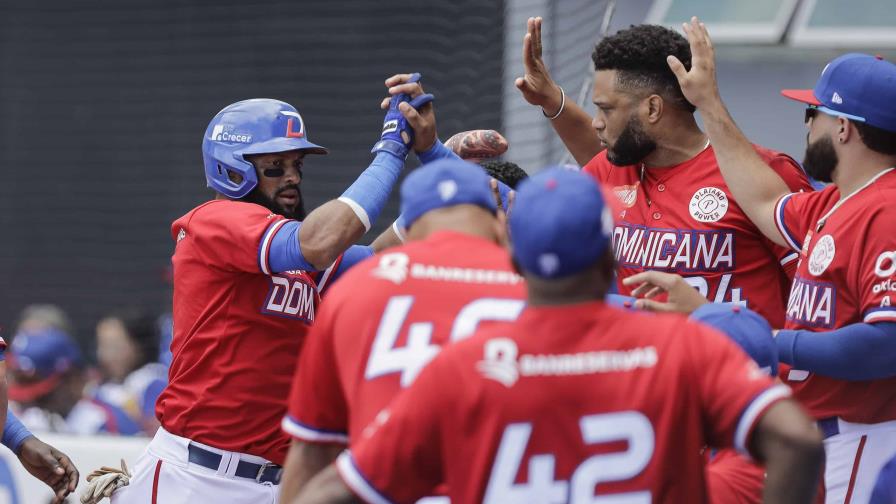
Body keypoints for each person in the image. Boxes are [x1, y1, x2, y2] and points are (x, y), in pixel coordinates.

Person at [293, 168, 823, 504]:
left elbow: (338, 489)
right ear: (610, 255)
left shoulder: (468, 365)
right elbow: (797, 441)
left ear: (516, 257)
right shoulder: (679, 345)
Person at [109, 80, 438, 503]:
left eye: (297, 164)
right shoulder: (216, 220)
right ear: (231, 168)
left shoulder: (293, 256)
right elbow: (319, 243)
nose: (292, 177)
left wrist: (439, 168)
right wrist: (390, 151)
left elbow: (380, 257)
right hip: (196, 477)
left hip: (274, 483)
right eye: (275, 166)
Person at [665, 17, 896, 503]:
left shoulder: (888, 210)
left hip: (862, 437)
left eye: (812, 113)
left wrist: (768, 340)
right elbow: (763, 200)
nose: (807, 124)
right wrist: (709, 104)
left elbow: (886, 344)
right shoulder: (837, 200)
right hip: (826, 436)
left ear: (845, 128)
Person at [515, 18, 813, 328]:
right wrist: (552, 100)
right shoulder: (615, 167)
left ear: (653, 109)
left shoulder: (761, 174)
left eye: (606, 109)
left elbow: (820, 302)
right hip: (647, 372)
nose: (597, 122)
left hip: (740, 370)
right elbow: (602, 152)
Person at [278, 159, 526, 503]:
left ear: (410, 230)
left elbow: (311, 449)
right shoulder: (536, 292)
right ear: (498, 223)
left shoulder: (355, 289)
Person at [8, 328, 141, 436]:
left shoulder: (104, 421)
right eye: (22, 381)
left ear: (72, 380)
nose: (30, 401)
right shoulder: (28, 415)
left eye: (42, 396)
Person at [94, 309, 167, 434]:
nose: (103, 355)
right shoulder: (101, 387)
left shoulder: (153, 383)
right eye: (101, 346)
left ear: (138, 346)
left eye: (114, 347)